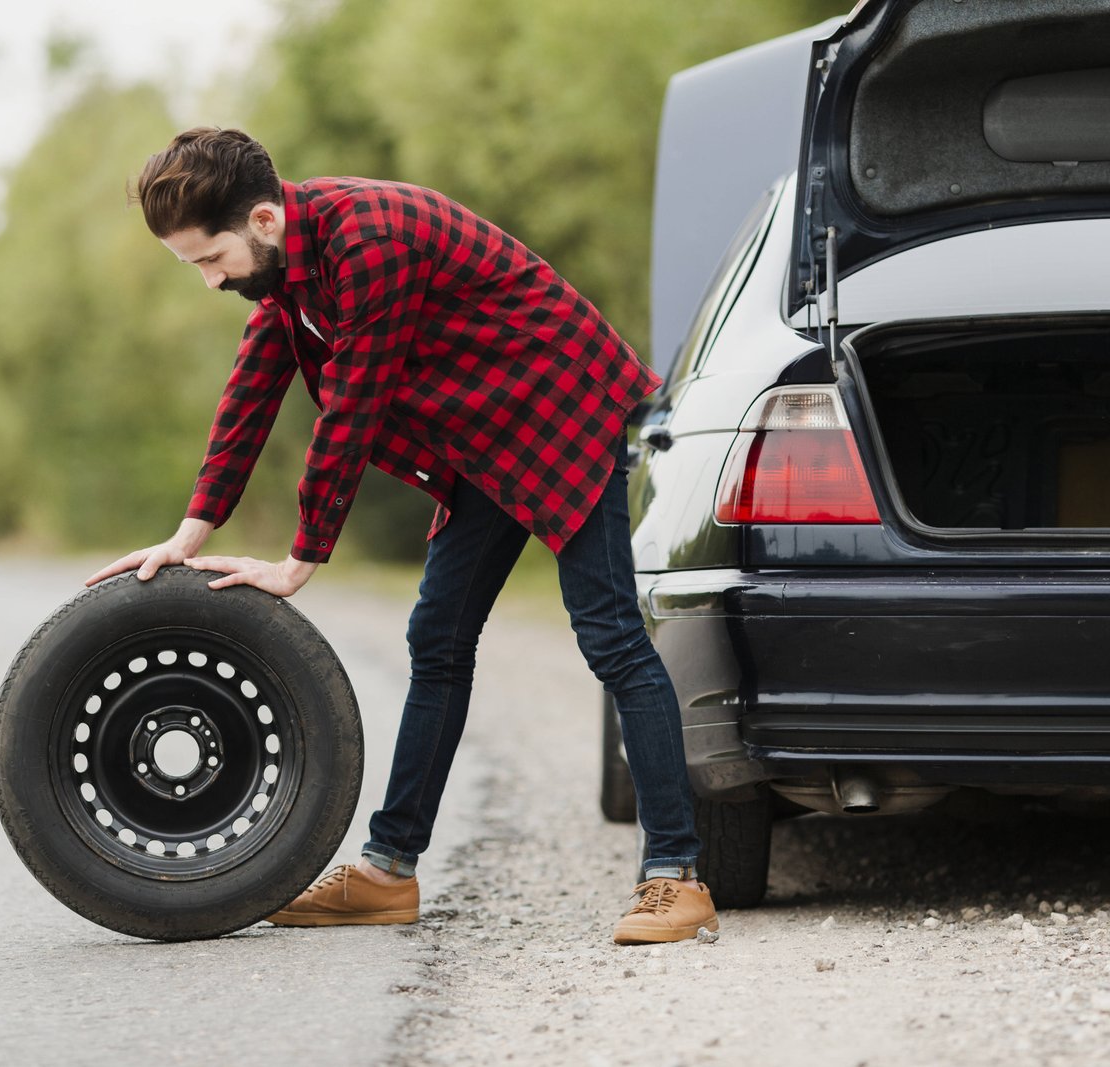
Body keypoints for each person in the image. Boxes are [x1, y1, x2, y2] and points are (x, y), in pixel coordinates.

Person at [87, 127, 716, 945]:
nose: (210, 281)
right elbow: (251, 393)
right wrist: (188, 531)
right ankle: (388, 874)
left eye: (210, 259)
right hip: (487, 436)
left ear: (264, 221)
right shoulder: (286, 273)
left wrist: (302, 557)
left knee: (610, 638)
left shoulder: (368, 240)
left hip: (562, 404)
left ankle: (677, 876)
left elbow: (355, 404)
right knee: (439, 638)